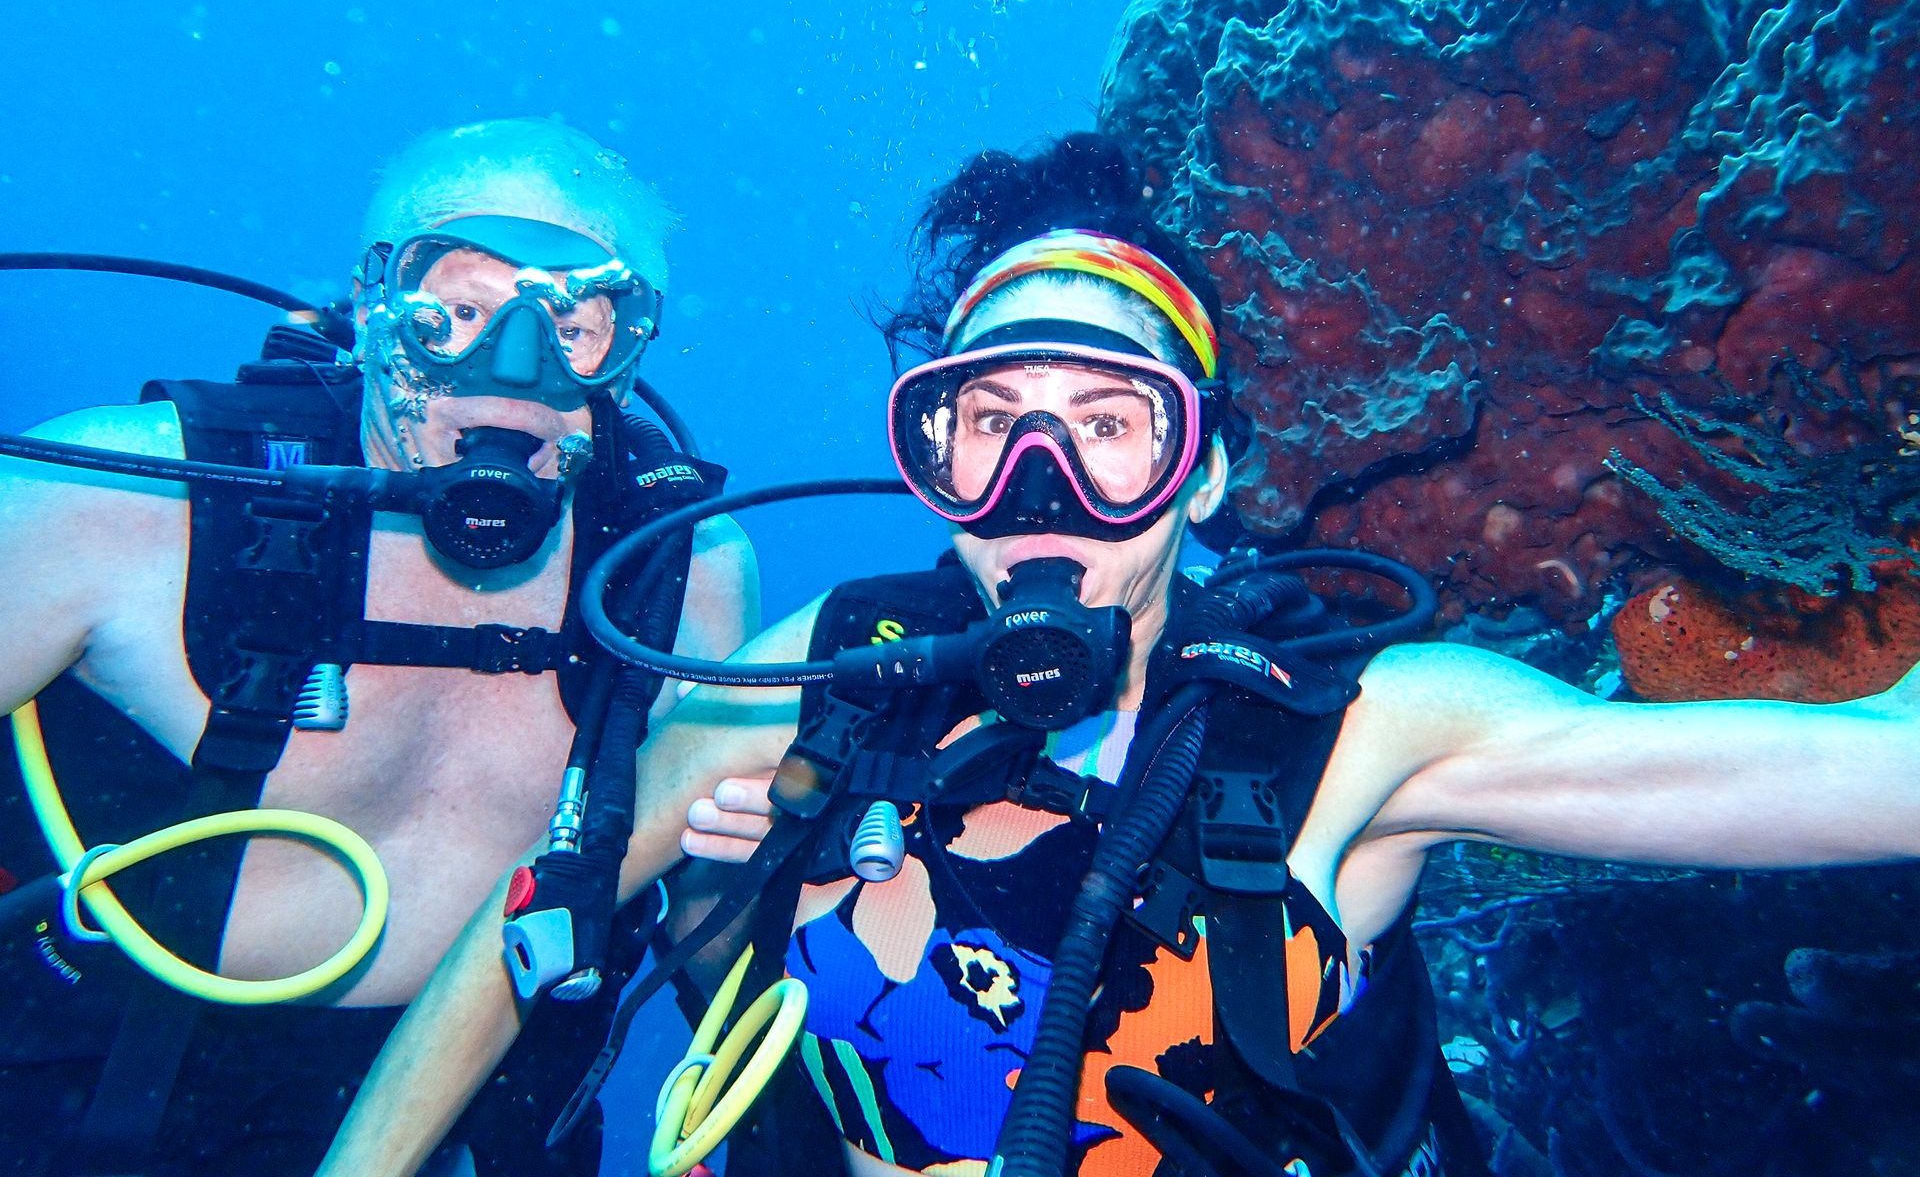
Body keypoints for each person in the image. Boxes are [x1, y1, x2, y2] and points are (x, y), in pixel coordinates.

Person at [320, 133, 1919, 1177]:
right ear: (929, 457)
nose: (1044, 498)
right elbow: (545, 905)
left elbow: (1868, 777)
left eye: (1111, 431)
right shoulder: (844, 667)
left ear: (1201, 472)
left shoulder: (1358, 730)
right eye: (993, 429)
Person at [0, 117, 757, 1177]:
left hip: (486, 1124)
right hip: (89, 1096)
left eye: (577, 318)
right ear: (371, 304)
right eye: (458, 307)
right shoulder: (120, 501)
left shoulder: (683, 573)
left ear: (628, 349)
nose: (515, 365)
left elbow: (703, 899)